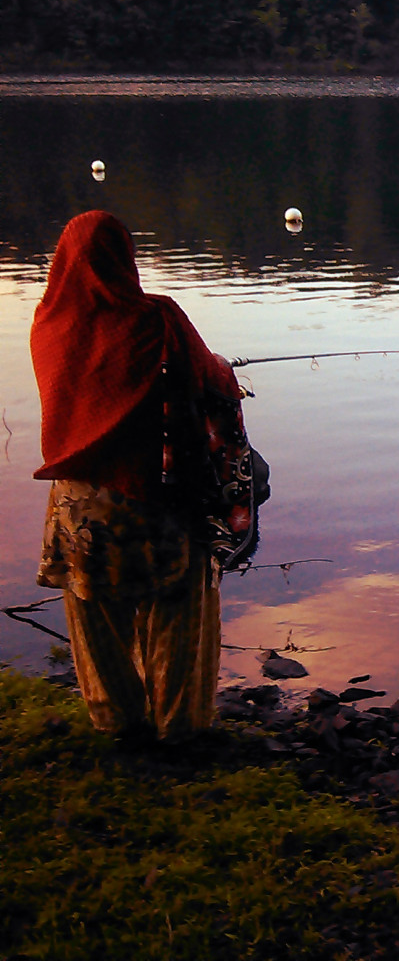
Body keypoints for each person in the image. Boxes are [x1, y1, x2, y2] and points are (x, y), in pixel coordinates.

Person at [31, 210, 250, 742]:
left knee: (95, 617)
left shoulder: (48, 323)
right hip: (156, 494)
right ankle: (181, 728)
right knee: (178, 607)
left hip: (78, 502)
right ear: (125, 258)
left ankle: (116, 722)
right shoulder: (158, 318)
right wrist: (224, 367)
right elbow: (210, 379)